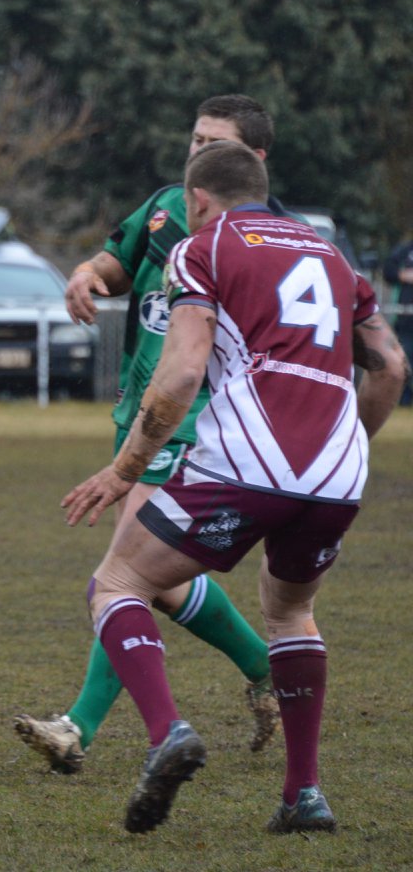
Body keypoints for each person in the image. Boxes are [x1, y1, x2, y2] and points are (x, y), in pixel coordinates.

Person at [61, 140, 407, 834]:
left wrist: (124, 470)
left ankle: (166, 733)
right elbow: (391, 366)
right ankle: (303, 795)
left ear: (195, 200)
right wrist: (348, 449)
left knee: (120, 581)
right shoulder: (331, 255)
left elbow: (184, 370)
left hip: (249, 460)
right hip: (337, 471)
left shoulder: (203, 246)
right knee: (291, 613)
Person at [15, 95, 285, 773]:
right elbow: (115, 263)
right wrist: (84, 277)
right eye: (194, 138)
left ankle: (80, 727)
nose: (198, 152)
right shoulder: (167, 208)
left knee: (122, 576)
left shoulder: (262, 239)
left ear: (252, 160)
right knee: (158, 584)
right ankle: (263, 667)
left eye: (214, 142)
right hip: (138, 416)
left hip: (196, 426)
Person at [382, 232, 413, 406]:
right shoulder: (406, 250)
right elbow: (388, 271)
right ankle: (403, 402)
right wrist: (404, 275)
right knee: (404, 363)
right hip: (406, 319)